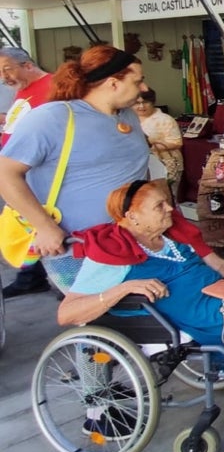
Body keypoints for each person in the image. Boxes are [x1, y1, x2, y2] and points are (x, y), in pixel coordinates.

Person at [59, 180, 224, 413]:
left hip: (214, 290)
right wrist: (124, 288)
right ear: (132, 216)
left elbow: (217, 263)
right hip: (188, 312)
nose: (170, 208)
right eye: (159, 206)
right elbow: (67, 313)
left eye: (166, 202)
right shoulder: (112, 249)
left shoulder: (172, 232)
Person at [0, 45, 150, 293]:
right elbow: (5, 173)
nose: (144, 88)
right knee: (96, 312)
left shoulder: (128, 116)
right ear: (113, 83)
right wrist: (44, 227)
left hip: (133, 240)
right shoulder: (52, 118)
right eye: (138, 81)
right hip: (80, 250)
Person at [0, 46, 55, 298]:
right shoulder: (22, 91)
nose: (4, 77)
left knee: (45, 223)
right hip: (17, 170)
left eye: (7, 69)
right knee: (25, 226)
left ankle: (67, 282)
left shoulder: (52, 87)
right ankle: (30, 277)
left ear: (27, 65)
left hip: (39, 170)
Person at [133, 89, 184, 200]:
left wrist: (148, 146)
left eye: (145, 102)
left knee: (165, 197)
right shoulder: (129, 119)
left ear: (153, 102)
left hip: (165, 162)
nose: (141, 106)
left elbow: (177, 142)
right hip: (140, 165)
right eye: (137, 103)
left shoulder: (165, 119)